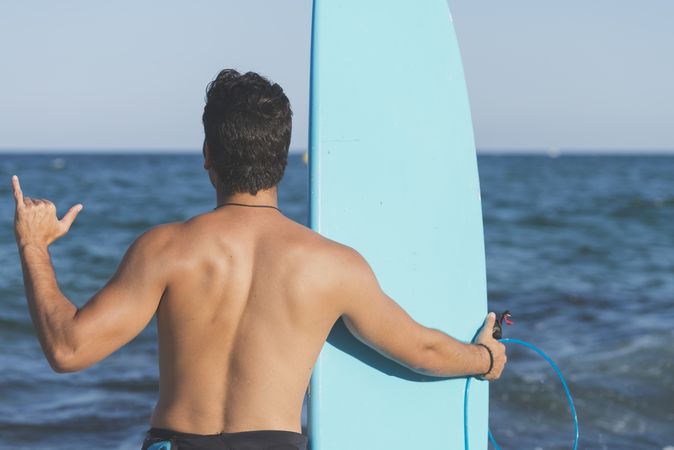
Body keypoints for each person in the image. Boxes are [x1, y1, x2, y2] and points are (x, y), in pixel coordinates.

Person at [12, 69, 506, 450]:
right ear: (284, 157)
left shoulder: (165, 249)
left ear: (208, 153)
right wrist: (484, 359)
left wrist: (34, 246)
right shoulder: (334, 266)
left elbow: (67, 349)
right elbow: (421, 350)